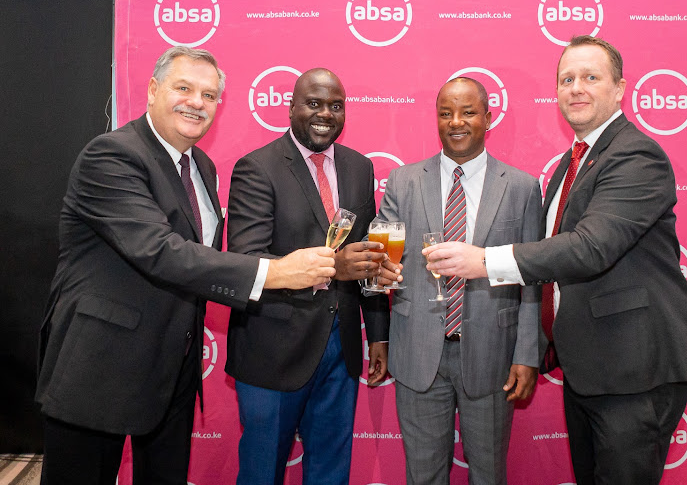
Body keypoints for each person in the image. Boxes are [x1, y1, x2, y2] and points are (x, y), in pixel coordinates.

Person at [35, 47, 335, 485]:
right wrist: (275, 272)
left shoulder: (202, 167)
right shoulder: (112, 155)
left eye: (209, 95)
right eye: (184, 88)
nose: (197, 102)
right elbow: (161, 250)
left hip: (171, 369)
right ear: (154, 90)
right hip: (100, 368)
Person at [424, 36, 687, 485]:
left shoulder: (636, 155)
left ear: (620, 89)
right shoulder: (570, 165)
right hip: (590, 367)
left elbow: (590, 248)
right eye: (567, 79)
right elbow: (552, 268)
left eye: (591, 77)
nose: (577, 88)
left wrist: (484, 261)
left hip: (634, 372)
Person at [225, 68, 391, 485]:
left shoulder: (359, 166)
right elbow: (248, 260)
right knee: (263, 471)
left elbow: (367, 258)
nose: (325, 114)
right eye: (313, 104)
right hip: (273, 348)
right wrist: (333, 266)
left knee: (331, 472)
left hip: (342, 346)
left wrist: (379, 334)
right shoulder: (257, 168)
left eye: (336, 106)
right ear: (291, 108)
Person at [375, 77, 543, 484]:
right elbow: (382, 254)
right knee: (424, 475)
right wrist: (377, 269)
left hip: (492, 355)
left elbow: (532, 278)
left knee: (488, 474)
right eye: (446, 113)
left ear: (487, 118)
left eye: (468, 112)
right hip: (417, 354)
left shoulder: (521, 188)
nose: (456, 122)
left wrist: (527, 353)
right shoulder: (403, 181)